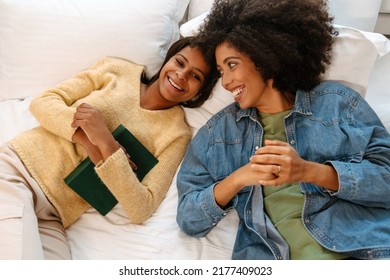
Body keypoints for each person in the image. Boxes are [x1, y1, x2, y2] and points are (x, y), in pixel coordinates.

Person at [176, 0, 390, 260]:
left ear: (263, 56)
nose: (226, 81)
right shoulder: (216, 135)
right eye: (221, 71)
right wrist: (239, 178)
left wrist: (311, 171)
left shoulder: (338, 103)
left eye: (232, 65)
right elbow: (189, 219)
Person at [0, 36, 218, 259]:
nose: (182, 75)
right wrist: (90, 140)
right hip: (18, 172)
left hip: (54, 215)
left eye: (195, 76)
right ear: (167, 60)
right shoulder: (118, 70)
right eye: (179, 62)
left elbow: (141, 207)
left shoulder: (177, 134)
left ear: (200, 92)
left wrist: (106, 143)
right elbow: (44, 102)